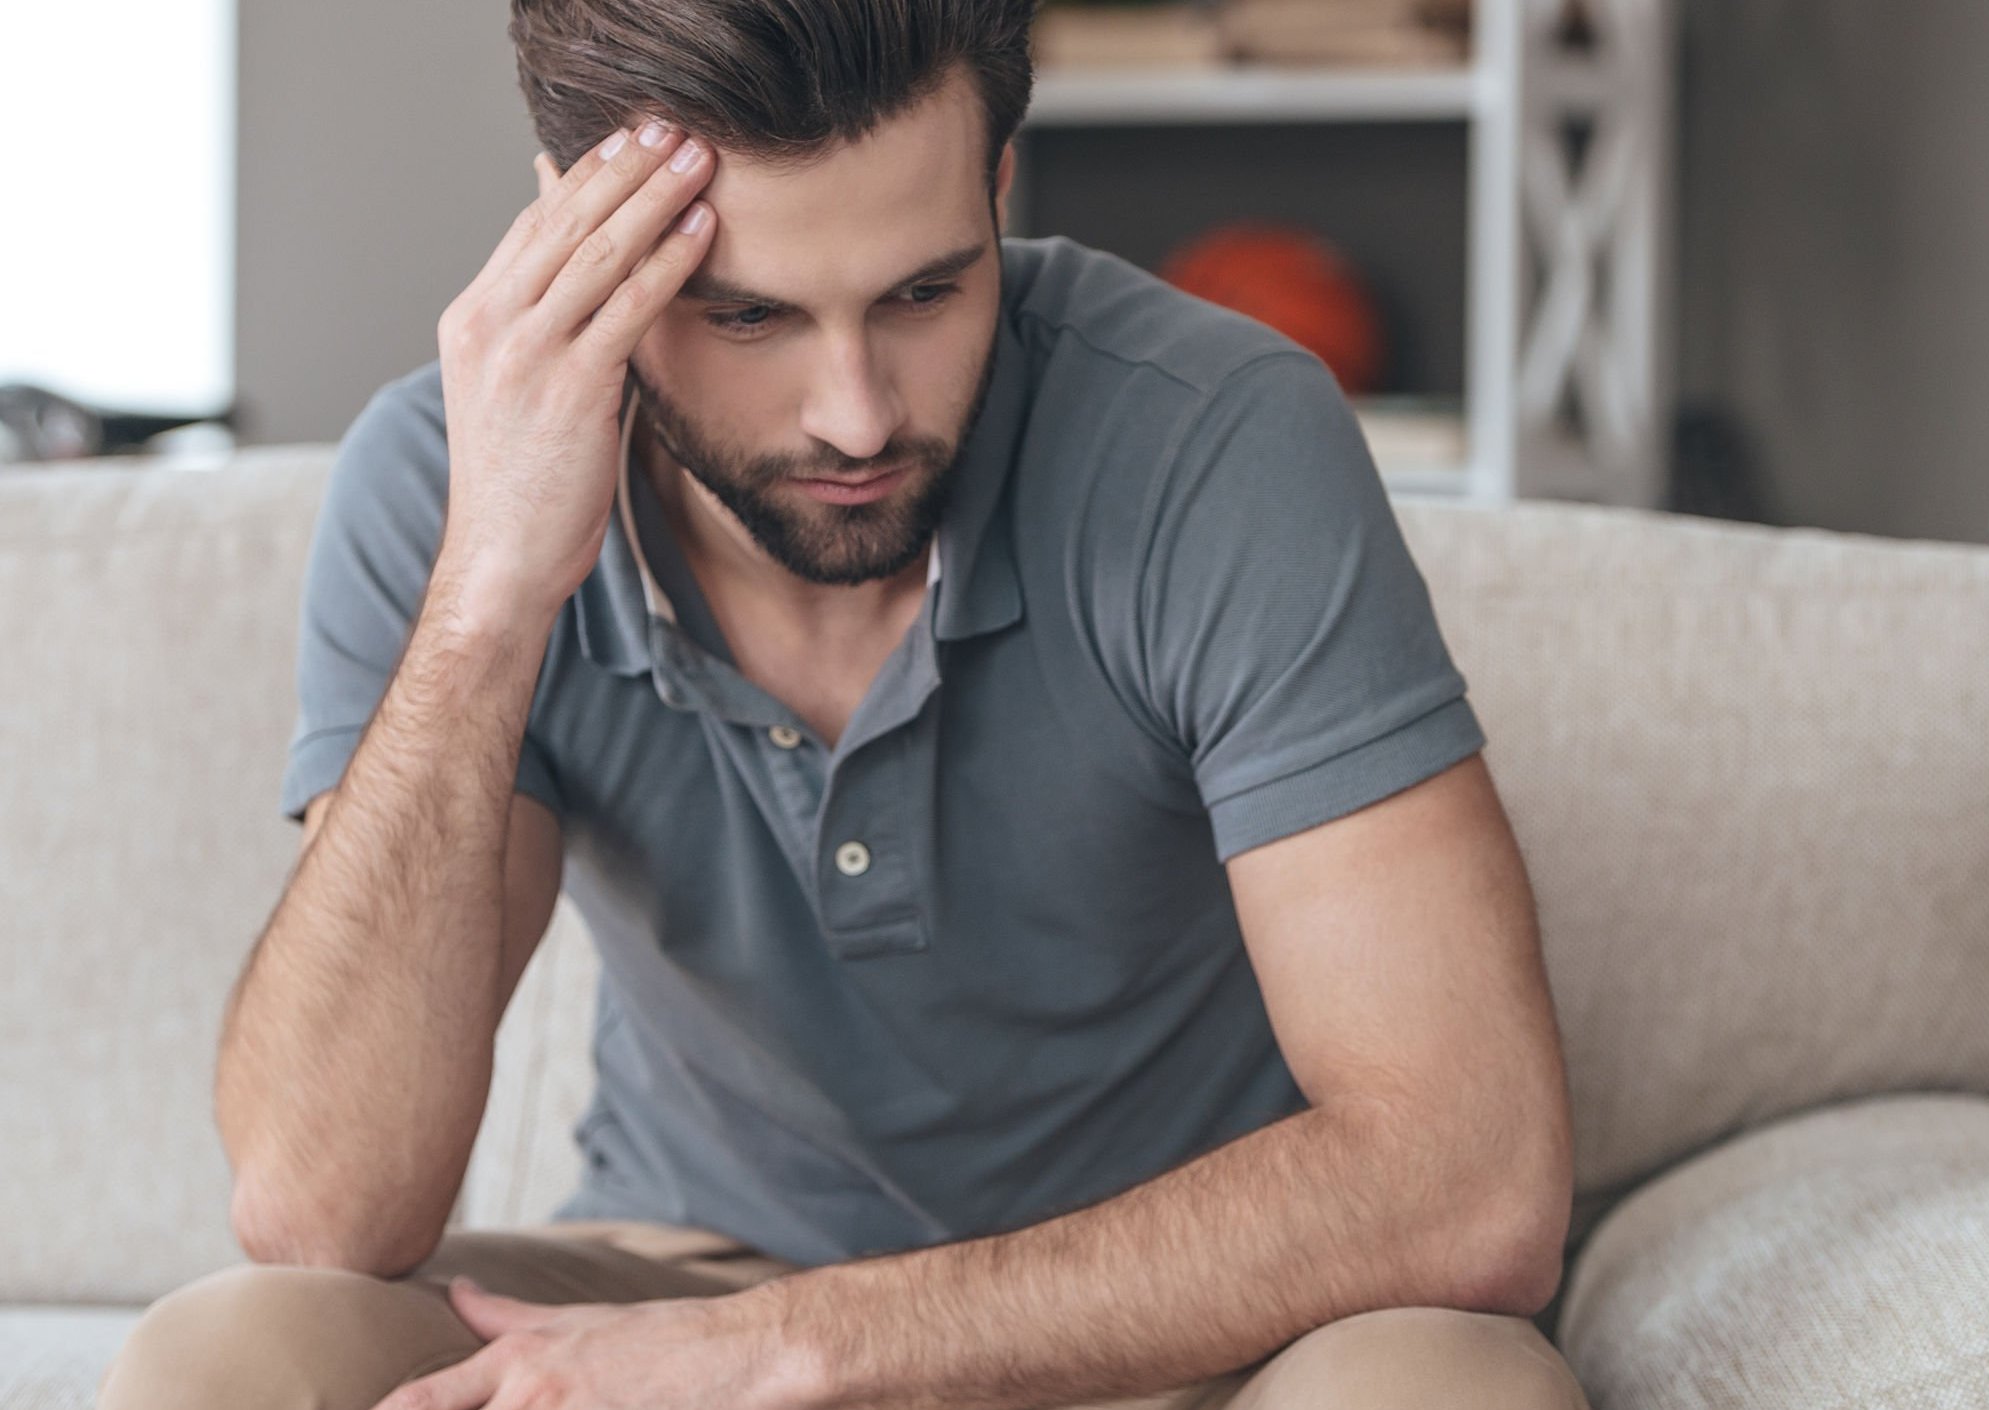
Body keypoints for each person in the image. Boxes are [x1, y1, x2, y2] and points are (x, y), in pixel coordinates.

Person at [97, 3, 1583, 1407]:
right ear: (578, 236)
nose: (858, 413)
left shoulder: (1213, 441)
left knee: (1446, 1389)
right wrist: (488, 595)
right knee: (233, 1356)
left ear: (999, 180)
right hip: (678, 1281)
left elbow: (1472, 1173)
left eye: (927, 289)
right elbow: (320, 1198)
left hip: (1180, 1321)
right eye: (748, 316)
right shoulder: (441, 479)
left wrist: (800, 1351)